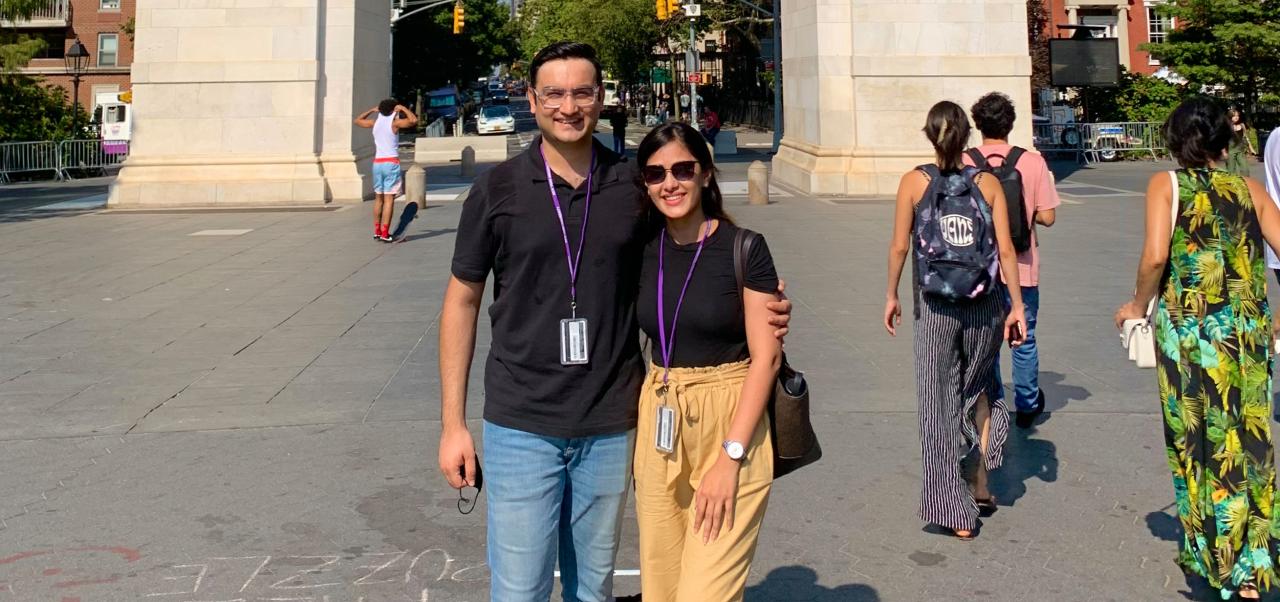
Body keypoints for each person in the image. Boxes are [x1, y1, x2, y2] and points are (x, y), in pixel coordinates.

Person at [437, 41, 791, 602]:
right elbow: (461, 302)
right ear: (532, 99)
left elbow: (690, 251)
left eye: (582, 92)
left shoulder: (634, 186)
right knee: (518, 589)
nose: (568, 105)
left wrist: (757, 298)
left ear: (600, 98)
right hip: (520, 421)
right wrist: (453, 424)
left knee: (593, 589)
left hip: (612, 419)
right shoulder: (495, 191)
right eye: (553, 92)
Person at [1114, 97, 1280, 600]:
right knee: (1249, 443)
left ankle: (1219, 558)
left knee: (1198, 440)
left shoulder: (1166, 185)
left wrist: (1137, 304)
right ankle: (1253, 559)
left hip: (1194, 334)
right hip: (1248, 334)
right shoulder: (1249, 188)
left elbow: (1155, 255)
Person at [631, 122, 781, 601]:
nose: (669, 183)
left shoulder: (744, 247)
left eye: (682, 169)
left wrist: (730, 458)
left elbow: (767, 358)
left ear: (706, 174)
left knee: (704, 593)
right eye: (655, 174)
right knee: (661, 588)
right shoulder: (640, 249)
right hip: (660, 416)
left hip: (730, 416)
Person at [884, 100, 1027, 540]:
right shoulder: (987, 183)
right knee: (982, 388)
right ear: (968, 136)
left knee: (935, 403)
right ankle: (981, 480)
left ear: (929, 135)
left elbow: (898, 248)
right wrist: (1017, 306)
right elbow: (1006, 251)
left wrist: (890, 294)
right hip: (985, 305)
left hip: (934, 305)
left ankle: (954, 509)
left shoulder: (913, 181)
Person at [964, 92, 1061, 428]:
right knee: (1024, 335)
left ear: (977, 125)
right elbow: (1047, 216)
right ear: (1011, 124)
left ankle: (989, 402)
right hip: (1022, 266)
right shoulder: (1032, 162)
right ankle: (1028, 401)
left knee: (984, 338)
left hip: (978, 268)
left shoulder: (965, 162)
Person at [355, 100, 417, 242]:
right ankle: (385, 233)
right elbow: (413, 120)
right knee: (389, 199)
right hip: (390, 162)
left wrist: (371, 110)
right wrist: (402, 108)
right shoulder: (394, 123)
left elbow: (357, 121)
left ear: (381, 110)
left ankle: (377, 231)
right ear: (393, 110)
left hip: (378, 163)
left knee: (379, 199)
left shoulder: (375, 123)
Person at [1224, 108, 1257, 177]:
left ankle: (1246, 184)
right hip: (1230, 151)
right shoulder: (1227, 126)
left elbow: (1245, 137)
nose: (1236, 117)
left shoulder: (1242, 125)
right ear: (1230, 116)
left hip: (1240, 151)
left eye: (1237, 116)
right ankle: (1233, 187)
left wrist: (1251, 148)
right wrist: (1224, 152)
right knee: (1231, 172)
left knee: (1245, 170)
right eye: (1234, 116)